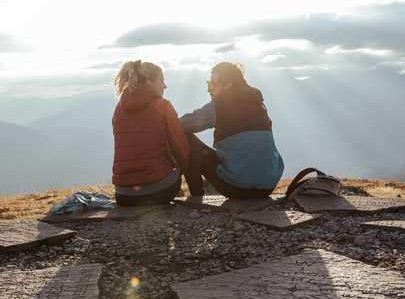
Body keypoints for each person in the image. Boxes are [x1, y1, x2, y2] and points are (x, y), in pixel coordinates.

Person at [180, 61, 284, 199]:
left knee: (186, 138)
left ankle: (196, 196)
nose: (208, 89)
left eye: (211, 84)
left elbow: (178, 125)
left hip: (236, 188)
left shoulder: (220, 106)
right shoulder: (258, 104)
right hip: (268, 186)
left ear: (227, 84)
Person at [111, 60, 190, 206]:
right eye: (162, 81)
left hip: (123, 194)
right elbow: (181, 150)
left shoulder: (118, 109)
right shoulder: (163, 105)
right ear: (149, 83)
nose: (165, 86)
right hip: (158, 192)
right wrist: (176, 176)